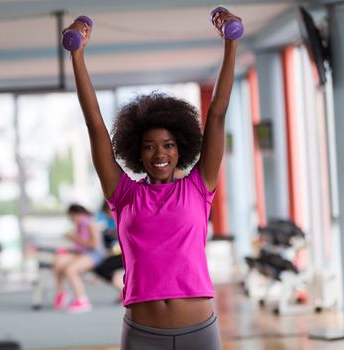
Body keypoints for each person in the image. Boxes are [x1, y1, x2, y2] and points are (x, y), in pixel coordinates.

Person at [64, 9, 240, 349]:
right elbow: (95, 125)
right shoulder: (122, 193)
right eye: (149, 147)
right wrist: (77, 55)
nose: (160, 154)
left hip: (199, 332)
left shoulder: (199, 185)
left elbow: (217, 113)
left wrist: (230, 45)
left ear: (180, 149)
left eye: (168, 145)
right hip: (143, 334)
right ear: (137, 153)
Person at [52, 203, 105, 313]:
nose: (71, 220)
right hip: (82, 253)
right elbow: (80, 246)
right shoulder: (80, 224)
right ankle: (61, 292)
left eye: (71, 217)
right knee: (58, 261)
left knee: (71, 270)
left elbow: (94, 245)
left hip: (94, 255)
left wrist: (75, 238)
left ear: (76, 214)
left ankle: (82, 300)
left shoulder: (91, 223)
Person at [94, 201, 124, 300]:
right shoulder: (112, 221)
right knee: (102, 268)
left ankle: (125, 290)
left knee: (102, 268)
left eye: (108, 213)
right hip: (119, 252)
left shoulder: (123, 218)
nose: (107, 216)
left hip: (127, 253)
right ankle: (123, 289)